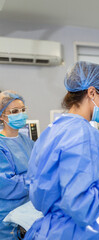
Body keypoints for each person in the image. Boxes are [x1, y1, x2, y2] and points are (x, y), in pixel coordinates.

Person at [25, 62, 99, 240]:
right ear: (92, 92)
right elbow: (80, 205)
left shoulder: (52, 130)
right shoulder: (82, 135)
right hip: (76, 233)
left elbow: (38, 192)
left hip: (50, 231)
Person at [0, 91, 33, 239]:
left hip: (29, 213)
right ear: (2, 116)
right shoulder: (1, 146)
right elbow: (6, 186)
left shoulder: (27, 142)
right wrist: (36, 180)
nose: (20, 114)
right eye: (14, 112)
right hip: (8, 219)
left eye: (23, 110)